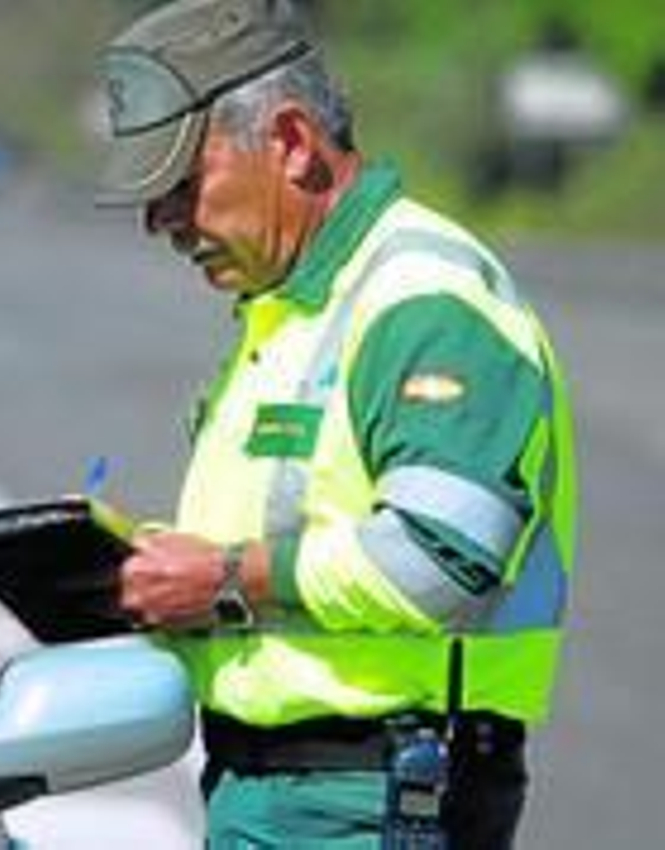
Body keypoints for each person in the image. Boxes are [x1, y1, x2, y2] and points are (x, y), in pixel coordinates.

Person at [94, 1, 577, 846]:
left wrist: (224, 579)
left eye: (181, 185)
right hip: (280, 788)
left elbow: (442, 560)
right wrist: (157, 574)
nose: (160, 221)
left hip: (379, 798)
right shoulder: (291, 308)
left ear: (290, 141)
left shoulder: (424, 300)